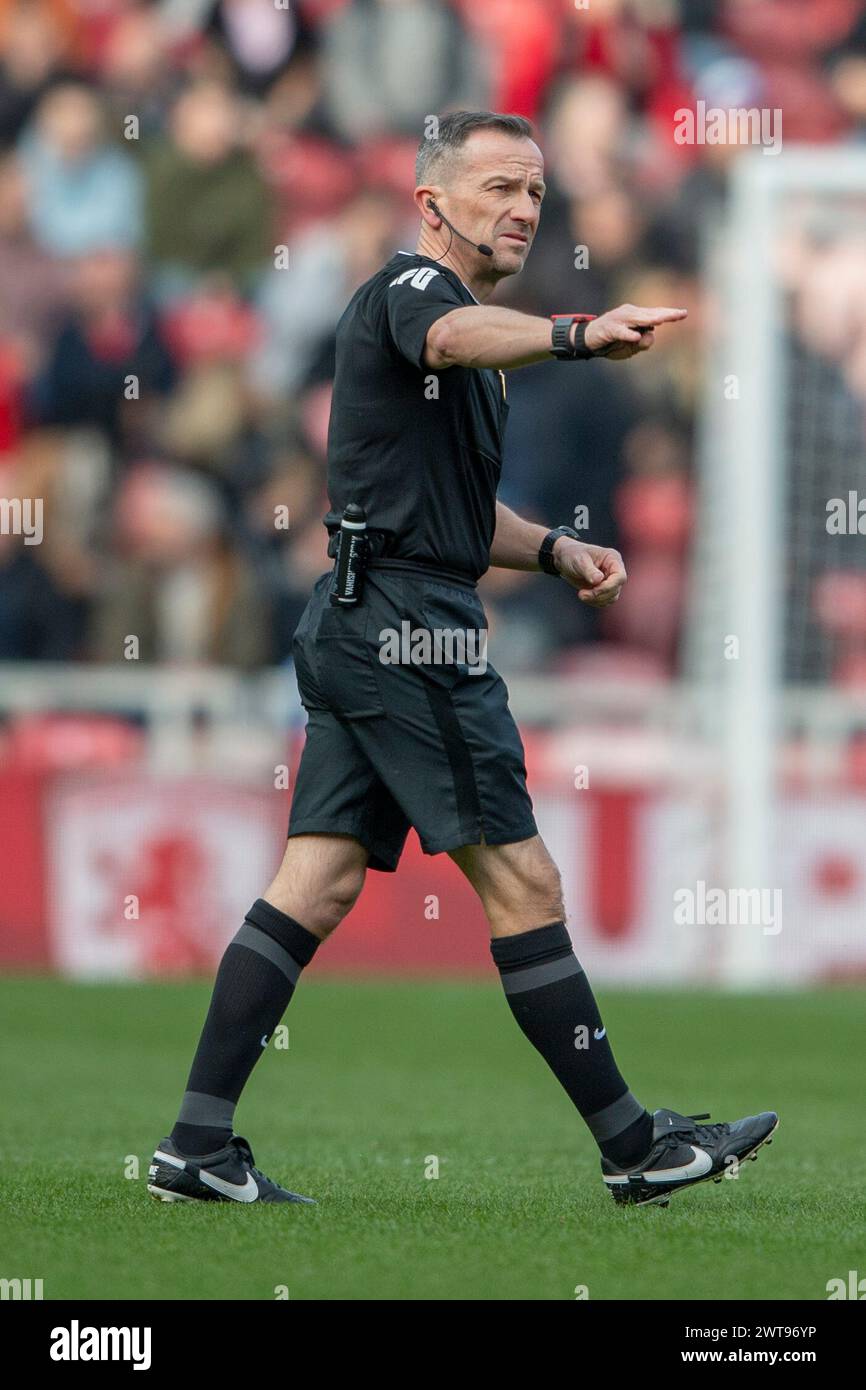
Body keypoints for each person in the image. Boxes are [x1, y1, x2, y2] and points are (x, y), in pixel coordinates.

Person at [149, 111, 777, 1209]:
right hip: (407, 633)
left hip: (367, 616)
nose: (522, 209)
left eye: (532, 192)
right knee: (523, 878)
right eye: (496, 188)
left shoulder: (466, 333)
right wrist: (579, 334)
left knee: (321, 875)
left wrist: (554, 548)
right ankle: (633, 1144)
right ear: (430, 202)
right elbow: (446, 340)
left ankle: (195, 1146)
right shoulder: (411, 296)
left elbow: (450, 510)